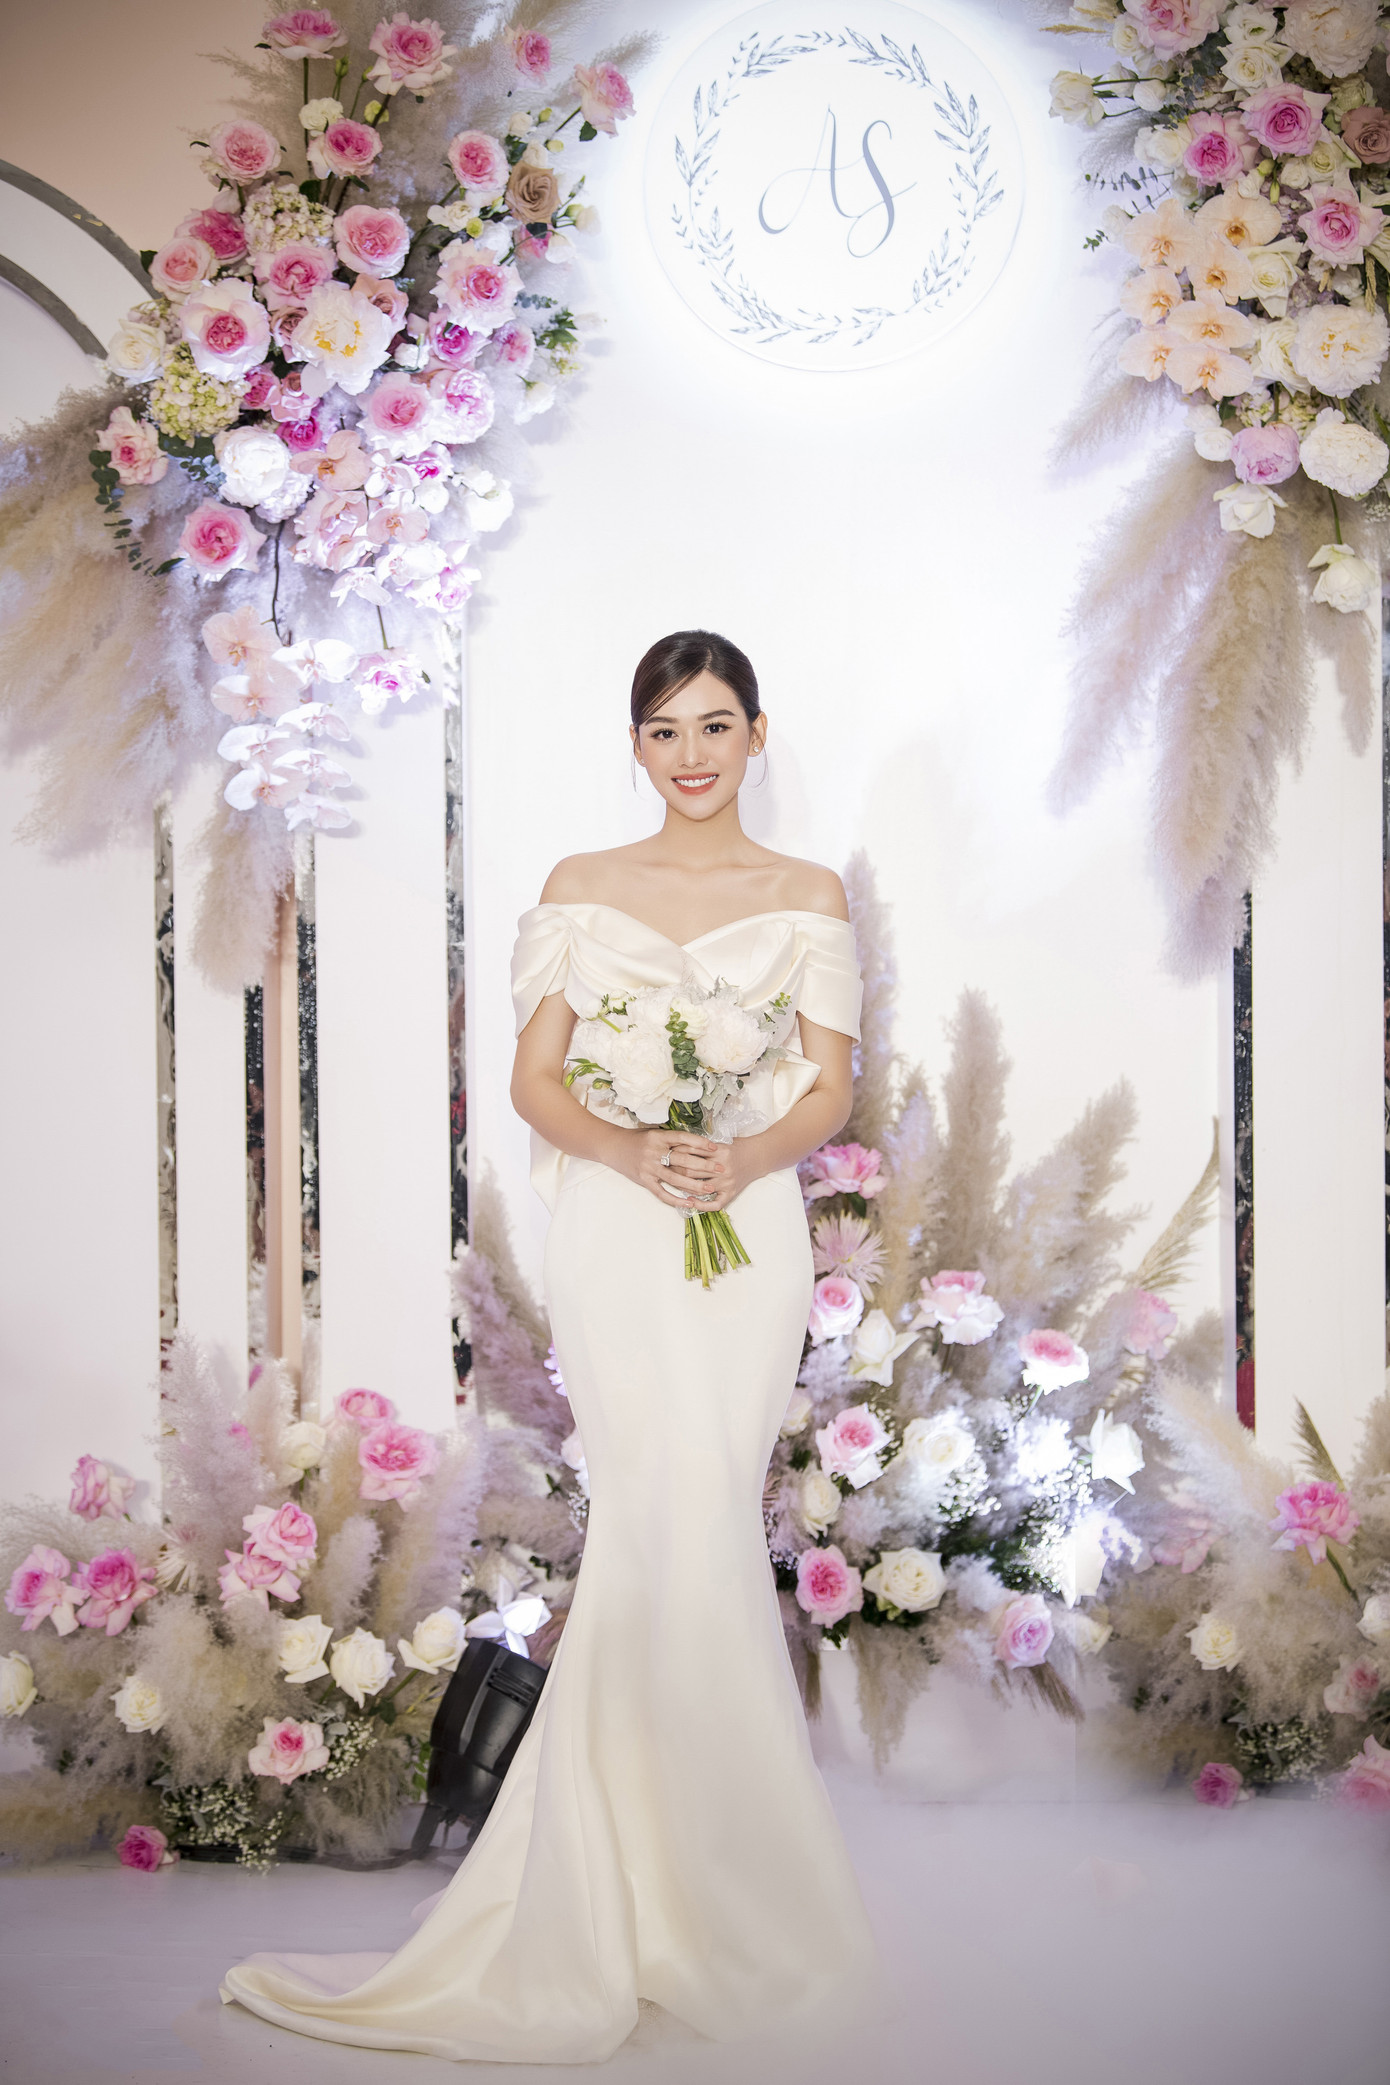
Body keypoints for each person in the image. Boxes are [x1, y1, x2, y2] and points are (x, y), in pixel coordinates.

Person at [221, 629, 877, 2062]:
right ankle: (611, 1890)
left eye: (715, 724)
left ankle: (720, 1889)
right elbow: (532, 1081)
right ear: (635, 745)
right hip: (619, 1227)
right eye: (664, 730)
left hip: (749, 1222)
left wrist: (738, 1154)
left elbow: (828, 1088)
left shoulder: (806, 892)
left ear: (757, 734)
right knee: (644, 1517)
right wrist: (638, 1148)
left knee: (712, 1514)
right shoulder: (582, 884)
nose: (691, 754)